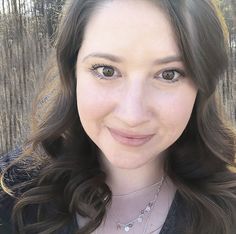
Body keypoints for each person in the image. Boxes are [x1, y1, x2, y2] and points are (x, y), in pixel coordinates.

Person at [0, 0, 235, 233]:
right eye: (107, 71)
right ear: (72, 73)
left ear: (202, 86)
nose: (132, 115)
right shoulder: (11, 192)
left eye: (169, 74)